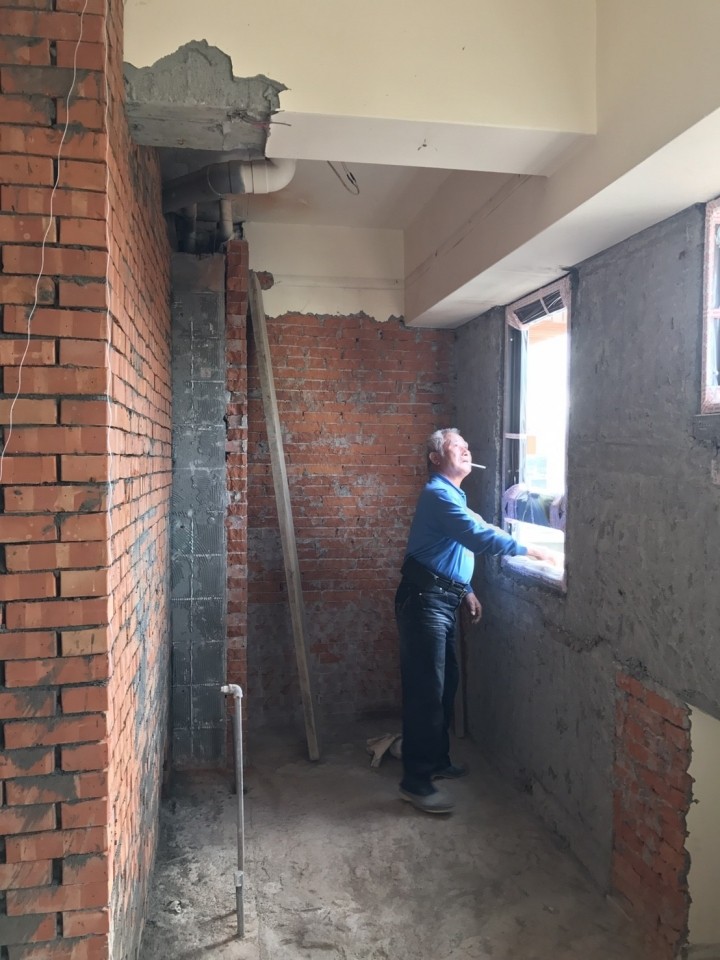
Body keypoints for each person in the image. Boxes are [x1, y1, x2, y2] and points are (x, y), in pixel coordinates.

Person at [395, 428, 556, 814]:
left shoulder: (453, 495)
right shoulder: (438, 495)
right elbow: (475, 534)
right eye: (457, 446)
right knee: (427, 692)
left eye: (468, 446)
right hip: (424, 601)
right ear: (436, 458)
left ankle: (436, 760)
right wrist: (530, 549)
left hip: (441, 598)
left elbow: (450, 547)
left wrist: (465, 589)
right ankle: (415, 782)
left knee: (445, 685)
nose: (467, 450)